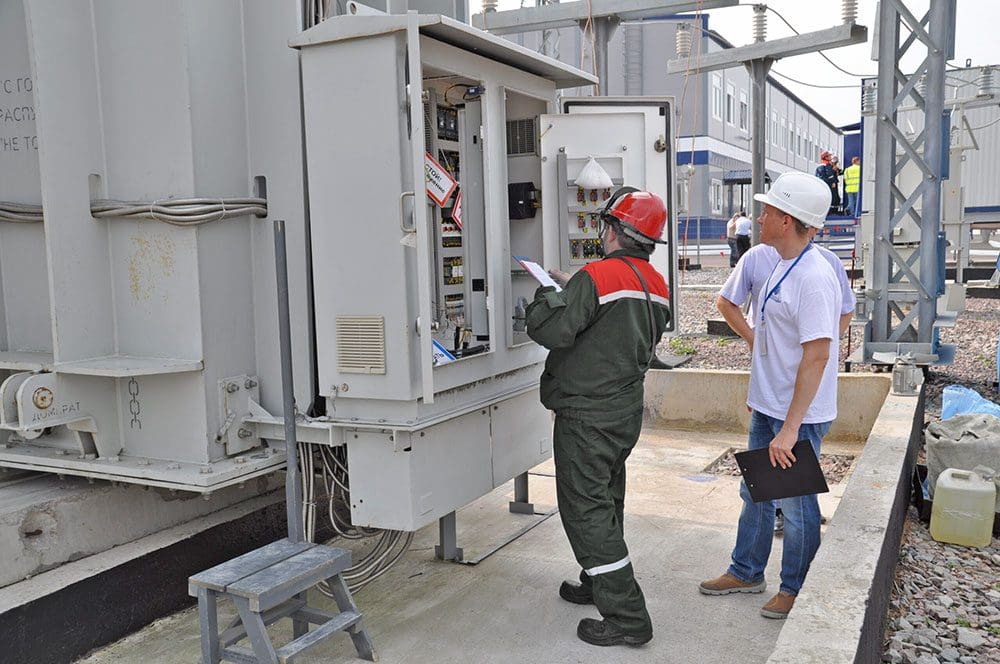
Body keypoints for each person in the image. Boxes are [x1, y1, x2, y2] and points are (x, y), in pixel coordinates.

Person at [526, 187, 671, 648]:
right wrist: (579, 288)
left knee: (586, 510)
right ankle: (597, 580)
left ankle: (628, 617)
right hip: (622, 413)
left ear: (614, 231)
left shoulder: (596, 278)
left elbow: (551, 329)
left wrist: (547, 294)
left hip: (586, 417)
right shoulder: (655, 284)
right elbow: (613, 321)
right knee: (606, 501)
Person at [699, 172, 843, 621]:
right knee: (756, 491)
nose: (758, 217)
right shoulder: (781, 260)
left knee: (797, 506)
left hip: (795, 415)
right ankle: (746, 571)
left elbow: (818, 356)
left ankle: (797, 588)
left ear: (787, 219)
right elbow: (772, 340)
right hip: (770, 404)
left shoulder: (815, 276)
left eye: (767, 211)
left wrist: (791, 428)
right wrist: (762, 393)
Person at [815, 151, 839, 216]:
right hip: (829, 184)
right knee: (834, 199)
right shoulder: (827, 165)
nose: (831, 157)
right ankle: (832, 213)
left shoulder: (820, 165)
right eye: (829, 156)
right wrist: (833, 182)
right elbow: (830, 175)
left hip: (823, 185)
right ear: (826, 157)